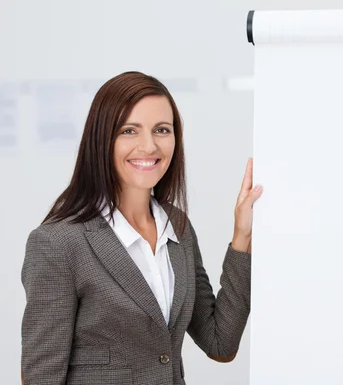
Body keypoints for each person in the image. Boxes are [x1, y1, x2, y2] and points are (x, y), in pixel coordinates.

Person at [20, 71, 263, 384]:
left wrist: (242, 236)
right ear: (102, 140)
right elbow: (40, 378)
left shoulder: (178, 227)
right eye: (129, 131)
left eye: (161, 130)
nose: (148, 146)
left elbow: (221, 343)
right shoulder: (59, 243)